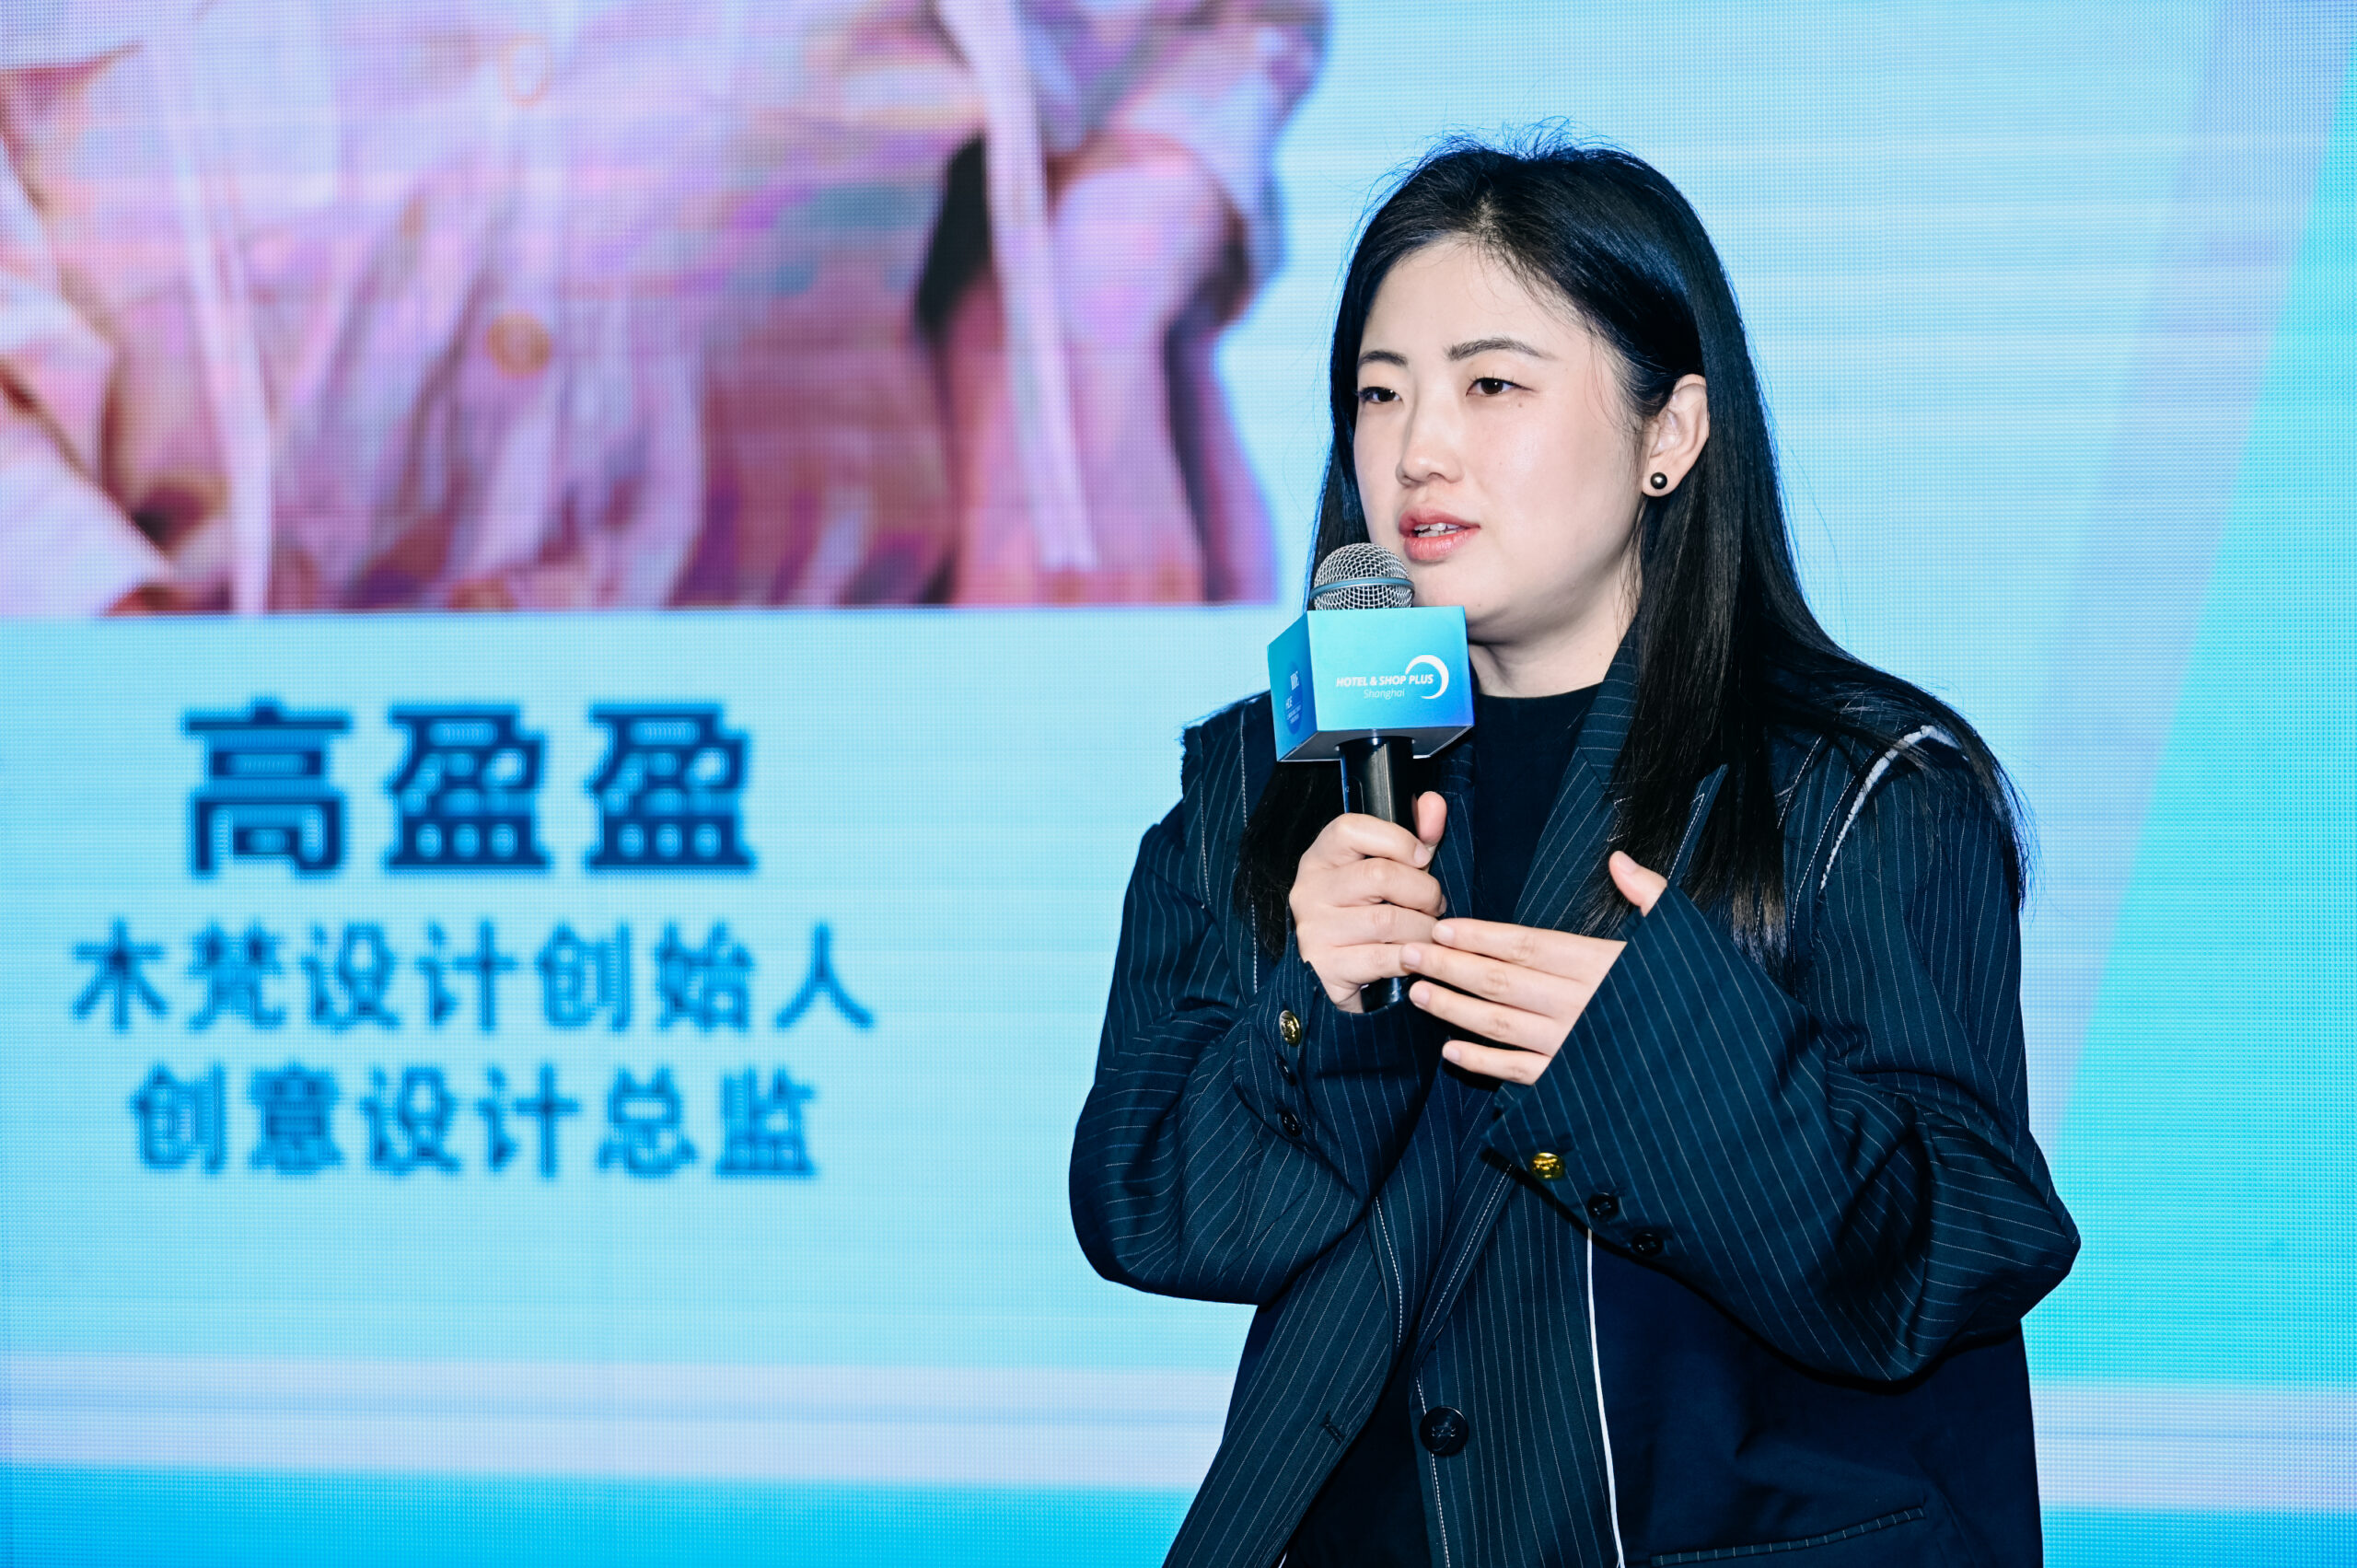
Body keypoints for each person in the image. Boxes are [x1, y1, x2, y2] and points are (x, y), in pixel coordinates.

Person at [1071, 136, 2079, 1568]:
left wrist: (1669, 1053)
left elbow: (1958, 1250)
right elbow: (1151, 1212)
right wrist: (1320, 1007)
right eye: (1379, 392)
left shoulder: (1862, 787)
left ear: (1672, 431)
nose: (1418, 449)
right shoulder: (1266, 779)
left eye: (1491, 385)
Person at [0, 0, 1318, 616]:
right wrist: (95, 668)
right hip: (216, 852)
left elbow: (1208, 23)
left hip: (819, 824)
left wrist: (1082, 307)